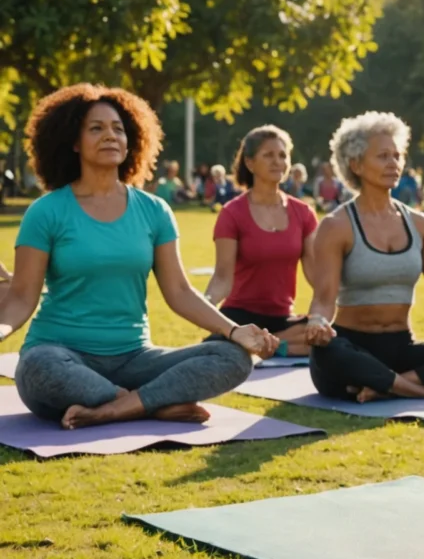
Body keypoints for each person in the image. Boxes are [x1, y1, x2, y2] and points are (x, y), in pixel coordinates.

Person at [0, 84, 278, 429]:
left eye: (118, 128)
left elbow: (179, 292)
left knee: (233, 357)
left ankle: (115, 406)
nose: (110, 136)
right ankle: (152, 402)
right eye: (96, 128)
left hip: (136, 358)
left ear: (131, 140)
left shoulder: (154, 211)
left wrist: (235, 331)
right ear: (73, 141)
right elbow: (22, 297)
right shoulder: (46, 212)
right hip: (62, 354)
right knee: (36, 366)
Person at [304, 112, 424, 403]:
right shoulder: (336, 225)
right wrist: (317, 322)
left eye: (397, 155)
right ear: (355, 164)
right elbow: (323, 297)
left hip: (401, 350)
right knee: (330, 350)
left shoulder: (420, 225)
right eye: (383, 156)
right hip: (352, 350)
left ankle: (389, 386)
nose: (394, 163)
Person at [203, 126, 318, 357]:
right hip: (240, 315)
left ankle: (271, 346)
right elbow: (222, 278)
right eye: (268, 155)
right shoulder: (231, 213)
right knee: (214, 348)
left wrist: (322, 317)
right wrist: (205, 308)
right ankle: (265, 344)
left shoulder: (304, 213)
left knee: (328, 336)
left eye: (283, 155)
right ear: (250, 162)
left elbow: (317, 276)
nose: (278, 162)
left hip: (283, 319)